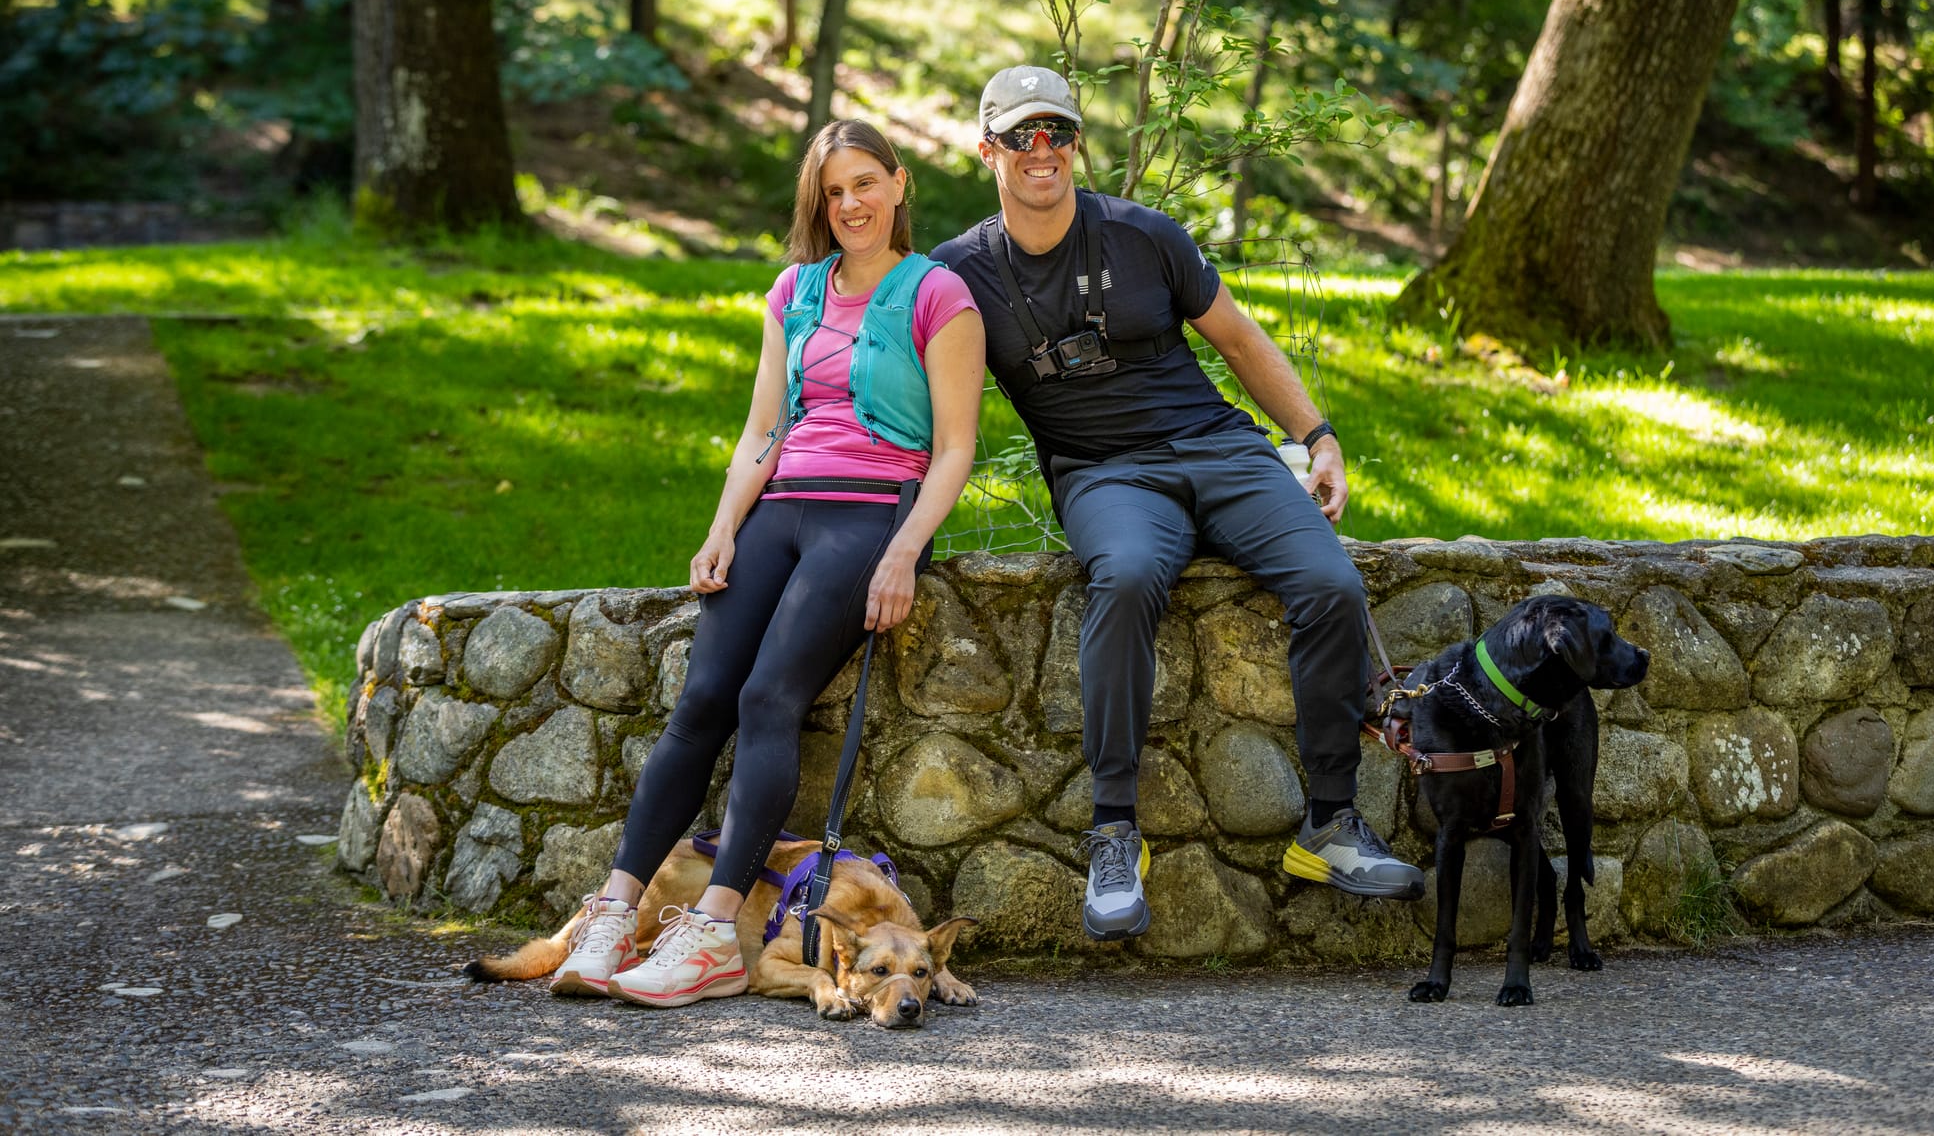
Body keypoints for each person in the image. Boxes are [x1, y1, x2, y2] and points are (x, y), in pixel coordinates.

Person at [932, 66, 1422, 942]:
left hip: (1221, 450)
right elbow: (919, 401)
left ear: (1077, 142)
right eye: (1020, 136)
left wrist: (1319, 437)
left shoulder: (1145, 235)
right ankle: (1115, 832)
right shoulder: (958, 275)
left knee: (1331, 584)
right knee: (1121, 581)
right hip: (1102, 472)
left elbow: (1238, 340)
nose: (1041, 151)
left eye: (1057, 132)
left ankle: (1331, 825)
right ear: (988, 152)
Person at [551, 119, 984, 1005]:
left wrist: (905, 552)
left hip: (872, 512)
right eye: (833, 191)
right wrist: (723, 528)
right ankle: (612, 911)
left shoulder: (941, 295)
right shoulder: (794, 290)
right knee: (703, 700)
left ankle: (711, 930)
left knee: (767, 697)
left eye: (866, 183)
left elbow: (953, 449)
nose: (851, 204)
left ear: (899, 186)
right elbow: (763, 428)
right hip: (781, 508)